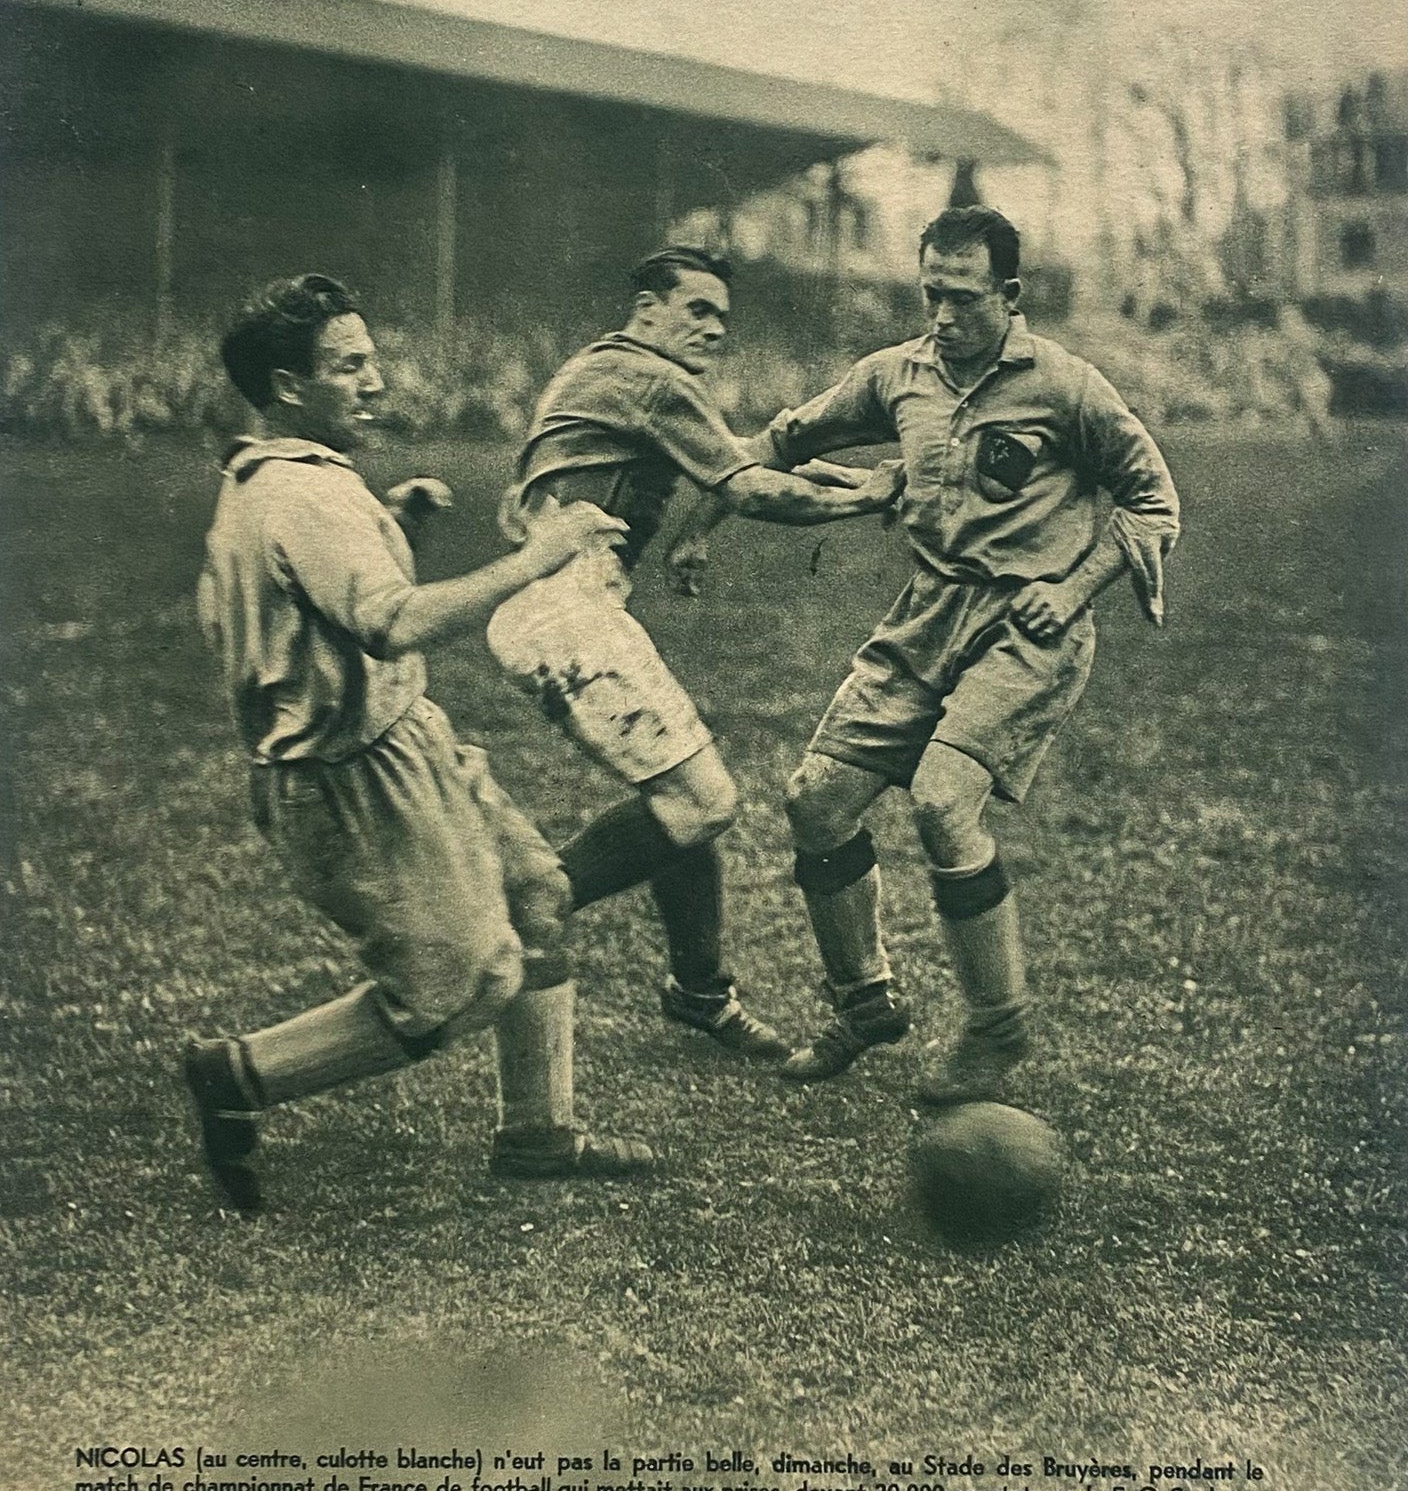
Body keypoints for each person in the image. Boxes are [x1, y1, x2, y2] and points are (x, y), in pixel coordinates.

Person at [668, 206, 1181, 1099]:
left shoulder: (1068, 386)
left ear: (1011, 297)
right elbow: (782, 441)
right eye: (930, 294)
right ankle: (866, 1004)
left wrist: (1069, 589)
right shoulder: (896, 376)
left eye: (962, 297)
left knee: (945, 803)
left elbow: (1153, 505)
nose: (941, 316)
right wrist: (700, 526)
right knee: (816, 802)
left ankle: (997, 1027)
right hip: (925, 617)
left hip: (1026, 626)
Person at [186, 273, 654, 1215]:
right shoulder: (300, 499)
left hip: (400, 738)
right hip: (345, 781)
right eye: (348, 365)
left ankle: (537, 1138)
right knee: (458, 990)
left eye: (370, 358)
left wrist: (395, 521)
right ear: (287, 387)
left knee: (538, 893)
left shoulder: (277, 478)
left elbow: (305, 604)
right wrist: (540, 554)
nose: (376, 380)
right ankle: (239, 1075)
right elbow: (390, 623)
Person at [486, 245, 903, 1062]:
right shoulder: (650, 376)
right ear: (648, 310)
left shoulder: (613, 370)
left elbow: (737, 457)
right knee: (703, 802)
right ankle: (517, 909)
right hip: (563, 606)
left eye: (722, 318)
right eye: (697, 311)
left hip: (557, 601)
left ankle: (699, 993)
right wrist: (867, 502)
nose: (714, 329)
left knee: (682, 794)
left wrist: (860, 484)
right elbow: (747, 485)